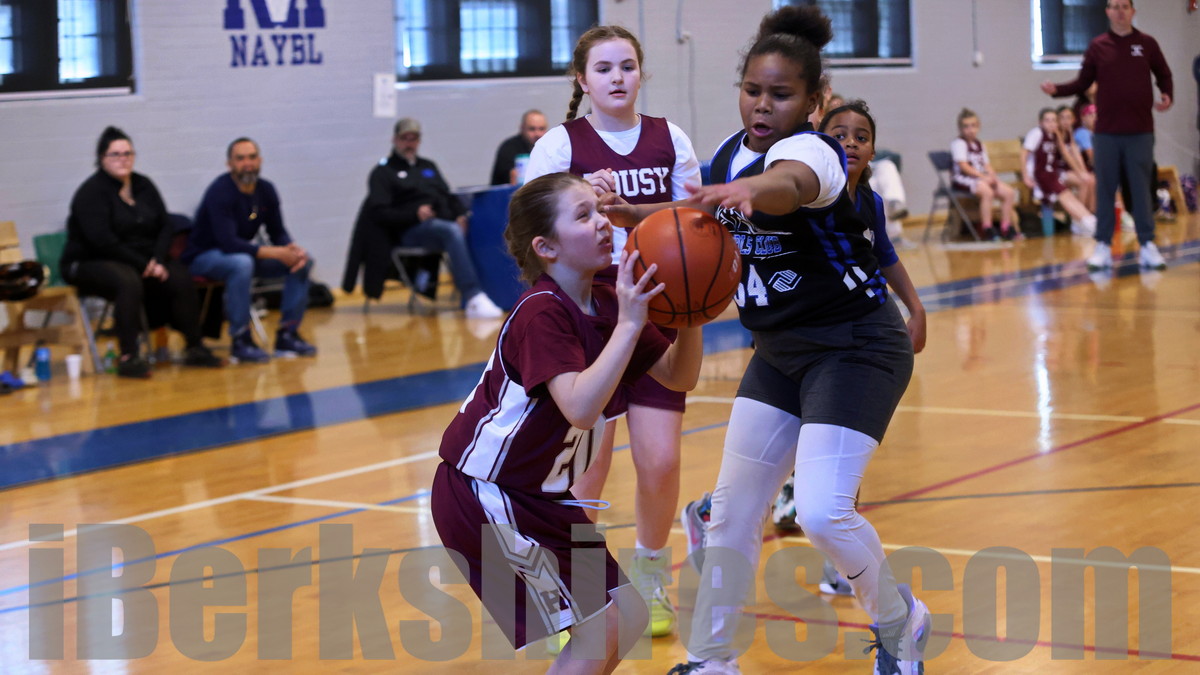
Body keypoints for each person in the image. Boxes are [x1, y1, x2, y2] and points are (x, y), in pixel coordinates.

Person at [642, 6, 929, 672]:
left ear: (812, 101)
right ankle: (712, 659)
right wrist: (640, 215)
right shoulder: (727, 153)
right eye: (752, 90)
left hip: (855, 346)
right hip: (778, 351)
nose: (763, 105)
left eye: (781, 94)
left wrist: (749, 189)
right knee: (732, 511)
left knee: (824, 514)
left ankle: (900, 623)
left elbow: (786, 187)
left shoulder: (814, 153)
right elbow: (697, 216)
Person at [430, 172, 703, 673]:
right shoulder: (542, 312)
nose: (602, 223)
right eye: (583, 215)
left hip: (538, 497)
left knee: (628, 615)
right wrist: (631, 325)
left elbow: (677, 376)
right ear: (547, 247)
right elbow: (579, 406)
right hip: (485, 494)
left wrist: (690, 317)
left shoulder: (608, 300)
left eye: (599, 211)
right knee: (605, 625)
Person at [523, 24, 702, 640]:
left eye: (627, 65)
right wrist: (583, 199)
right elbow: (531, 228)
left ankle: (651, 573)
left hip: (656, 310)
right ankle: (579, 590)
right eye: (603, 69)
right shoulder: (559, 145)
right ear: (583, 79)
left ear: (641, 72)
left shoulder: (669, 138)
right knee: (588, 472)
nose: (617, 77)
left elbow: (696, 221)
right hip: (588, 317)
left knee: (661, 458)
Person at [63, 126, 223, 378]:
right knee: (127, 280)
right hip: (90, 260)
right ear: (102, 158)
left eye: (127, 153)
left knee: (178, 275)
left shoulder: (143, 184)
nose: (123, 159)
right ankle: (129, 356)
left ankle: (194, 346)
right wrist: (144, 265)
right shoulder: (91, 193)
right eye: (115, 154)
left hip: (139, 258)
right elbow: (102, 241)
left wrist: (157, 260)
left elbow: (165, 225)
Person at [1040, 0, 1172, 271]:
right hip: (1107, 134)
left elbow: (1163, 72)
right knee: (1106, 188)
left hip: (1140, 132)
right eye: (1114, 6)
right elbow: (1082, 82)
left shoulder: (1147, 43)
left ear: (1132, 11)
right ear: (1107, 12)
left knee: (1140, 188)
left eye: (1125, 6)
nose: (1120, 11)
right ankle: (1102, 245)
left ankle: (1147, 245)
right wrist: (1057, 90)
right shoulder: (1098, 46)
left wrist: (1167, 92)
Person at [342, 118, 505, 318]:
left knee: (474, 225)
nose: (409, 143)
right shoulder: (383, 172)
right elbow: (379, 213)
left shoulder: (428, 166)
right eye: (405, 138)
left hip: (437, 225)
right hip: (405, 231)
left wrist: (460, 215)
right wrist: (414, 215)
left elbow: (447, 195)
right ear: (395, 140)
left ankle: (496, 288)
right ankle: (473, 295)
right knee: (449, 230)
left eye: (413, 139)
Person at [184, 137, 318, 363]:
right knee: (241, 263)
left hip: (241, 254)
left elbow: (277, 231)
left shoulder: (266, 190)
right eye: (240, 159)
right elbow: (229, 243)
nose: (247, 164)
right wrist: (276, 252)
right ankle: (241, 339)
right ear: (229, 164)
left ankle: (288, 334)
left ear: (260, 160)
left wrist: (291, 248)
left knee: (303, 261)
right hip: (204, 256)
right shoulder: (220, 191)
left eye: (252, 157)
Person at [1022, 108, 1097, 237]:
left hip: (1051, 173)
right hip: (1040, 174)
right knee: (1064, 195)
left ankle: (1085, 219)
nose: (1051, 123)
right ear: (1040, 123)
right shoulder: (1036, 133)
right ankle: (1085, 220)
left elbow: (1067, 152)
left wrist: (1081, 171)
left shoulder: (1056, 135)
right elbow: (1023, 154)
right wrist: (1025, 176)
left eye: (1053, 120)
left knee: (1067, 194)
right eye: (1047, 120)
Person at [951, 108, 1020, 240]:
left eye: (973, 126)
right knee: (987, 192)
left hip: (980, 178)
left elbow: (986, 164)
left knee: (1009, 193)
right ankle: (987, 228)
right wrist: (983, 177)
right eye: (966, 126)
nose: (970, 130)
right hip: (963, 179)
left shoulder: (979, 144)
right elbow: (964, 167)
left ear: (978, 126)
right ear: (960, 129)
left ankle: (1006, 227)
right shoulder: (958, 144)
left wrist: (993, 177)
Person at [489, 109, 549, 185]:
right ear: (522, 128)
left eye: (541, 129)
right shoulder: (509, 148)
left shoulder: (548, 147)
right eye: (532, 129)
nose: (537, 134)